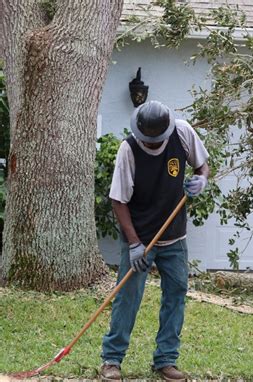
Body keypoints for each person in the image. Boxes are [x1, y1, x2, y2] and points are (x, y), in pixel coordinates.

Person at [100, 100, 209, 380]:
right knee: (128, 297)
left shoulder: (182, 132)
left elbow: (202, 166)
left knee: (176, 294)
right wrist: (135, 244)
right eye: (145, 140)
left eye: (154, 141)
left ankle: (165, 359)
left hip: (174, 235)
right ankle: (112, 359)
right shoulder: (129, 149)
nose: (150, 144)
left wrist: (201, 180)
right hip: (141, 238)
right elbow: (118, 200)